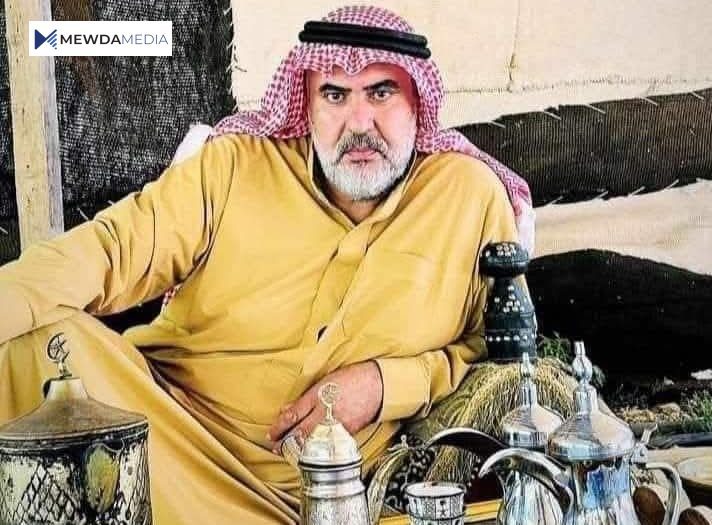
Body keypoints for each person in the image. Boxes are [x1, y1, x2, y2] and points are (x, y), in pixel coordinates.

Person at [0, 5, 532, 524]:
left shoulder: (466, 197)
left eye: (381, 92)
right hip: (166, 438)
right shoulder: (234, 165)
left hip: (317, 493)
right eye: (335, 95)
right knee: (38, 340)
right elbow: (109, 250)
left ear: (417, 102)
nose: (358, 123)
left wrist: (384, 385)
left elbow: (494, 354)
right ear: (306, 104)